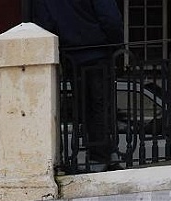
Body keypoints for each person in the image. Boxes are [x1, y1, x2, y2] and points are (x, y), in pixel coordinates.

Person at [32, 0, 124, 171]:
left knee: (84, 107)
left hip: (71, 57)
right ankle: (102, 154)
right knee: (101, 106)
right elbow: (110, 18)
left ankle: (89, 152)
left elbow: (45, 25)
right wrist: (115, 44)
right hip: (98, 52)